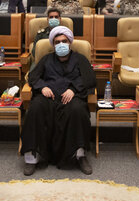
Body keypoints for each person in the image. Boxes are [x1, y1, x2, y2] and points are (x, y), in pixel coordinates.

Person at [21, 26, 95, 176]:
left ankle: (79, 155)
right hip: (49, 97)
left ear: (70, 42)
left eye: (64, 41)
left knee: (78, 111)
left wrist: (74, 89)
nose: (61, 44)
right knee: (35, 108)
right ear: (53, 45)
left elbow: (89, 79)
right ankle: (31, 158)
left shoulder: (80, 59)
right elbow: (33, 77)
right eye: (57, 42)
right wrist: (42, 87)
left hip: (71, 97)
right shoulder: (46, 59)